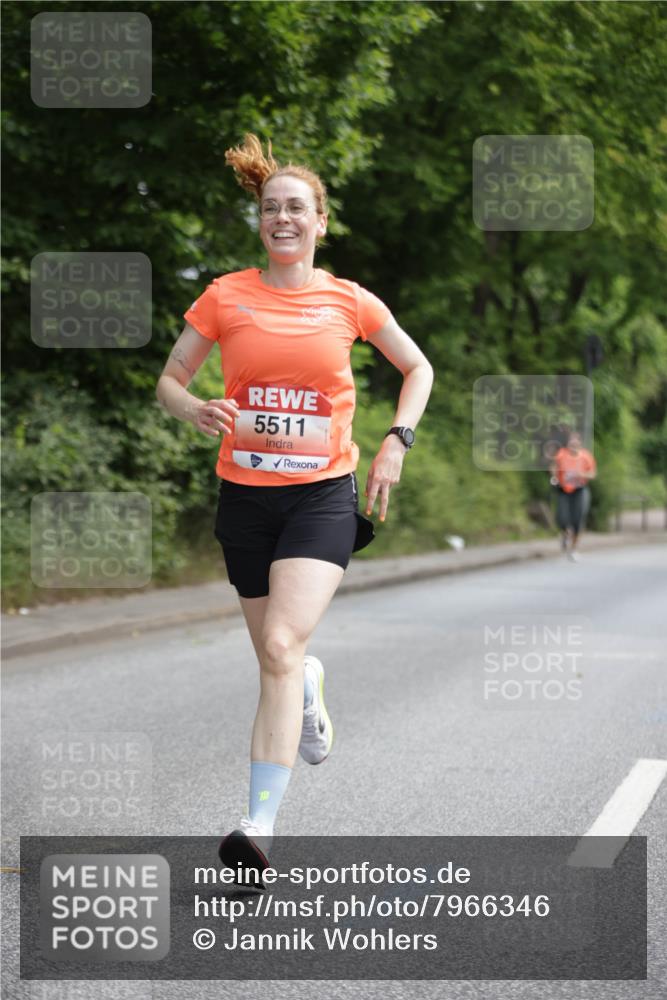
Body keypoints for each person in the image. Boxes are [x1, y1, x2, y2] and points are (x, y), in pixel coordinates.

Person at [155, 133, 433, 877]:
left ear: (319, 223)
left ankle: (257, 827)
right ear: (261, 222)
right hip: (244, 499)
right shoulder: (224, 295)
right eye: (272, 207)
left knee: (278, 646)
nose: (283, 218)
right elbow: (170, 380)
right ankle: (308, 685)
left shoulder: (348, 300)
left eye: (297, 208)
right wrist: (194, 410)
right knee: (278, 662)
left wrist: (395, 440)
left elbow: (417, 366)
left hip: (320, 497)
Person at [549, 430, 596, 561]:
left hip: (580, 490)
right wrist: (554, 477)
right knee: (562, 518)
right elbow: (554, 466)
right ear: (568, 442)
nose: (573, 443)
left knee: (578, 520)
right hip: (564, 489)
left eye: (576, 441)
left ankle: (574, 549)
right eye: (571, 440)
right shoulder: (562, 454)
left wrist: (581, 474)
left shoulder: (586, 456)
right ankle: (565, 534)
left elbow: (592, 474)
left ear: (580, 443)